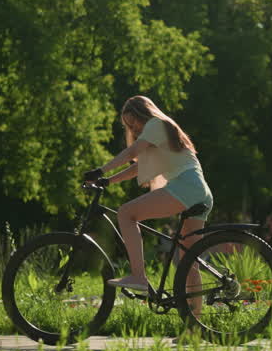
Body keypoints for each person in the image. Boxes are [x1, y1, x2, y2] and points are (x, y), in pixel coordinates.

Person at [86, 96, 214, 292]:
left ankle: (139, 276)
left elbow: (130, 153)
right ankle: (193, 321)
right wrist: (108, 181)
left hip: (186, 186)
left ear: (143, 113)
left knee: (126, 213)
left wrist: (101, 170)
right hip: (200, 191)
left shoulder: (155, 124)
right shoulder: (162, 131)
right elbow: (137, 167)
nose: (133, 128)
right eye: (129, 126)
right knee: (189, 263)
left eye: (133, 122)